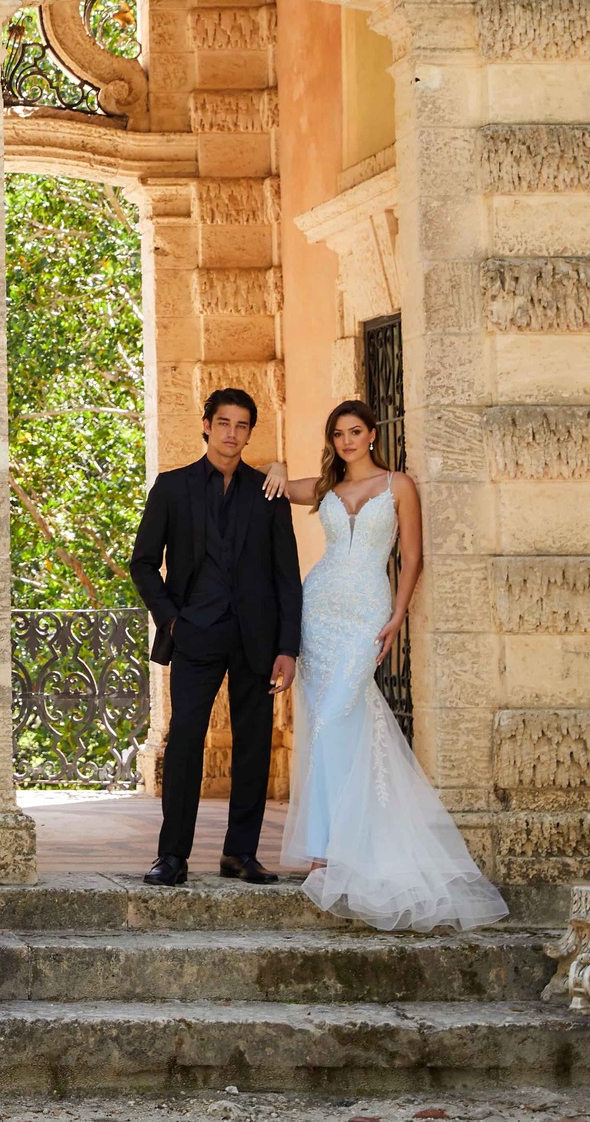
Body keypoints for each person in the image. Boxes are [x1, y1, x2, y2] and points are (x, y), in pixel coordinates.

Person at [261, 402, 507, 931]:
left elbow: (413, 557)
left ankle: (350, 840)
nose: (347, 441)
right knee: (323, 723)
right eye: (338, 434)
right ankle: (325, 849)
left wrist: (397, 617)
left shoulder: (399, 486)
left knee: (338, 715)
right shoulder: (326, 488)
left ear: (372, 435)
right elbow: (260, 477)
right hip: (320, 608)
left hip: (367, 610)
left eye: (355, 432)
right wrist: (278, 466)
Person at [128, 387, 301, 887]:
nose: (232, 433)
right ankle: (172, 856)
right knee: (185, 742)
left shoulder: (266, 491)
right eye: (224, 423)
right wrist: (173, 620)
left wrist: (287, 648)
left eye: (242, 425)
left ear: (250, 432)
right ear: (206, 425)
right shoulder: (172, 487)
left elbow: (286, 576)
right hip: (195, 636)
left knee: (253, 744)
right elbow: (143, 564)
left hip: (257, 640)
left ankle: (240, 854)